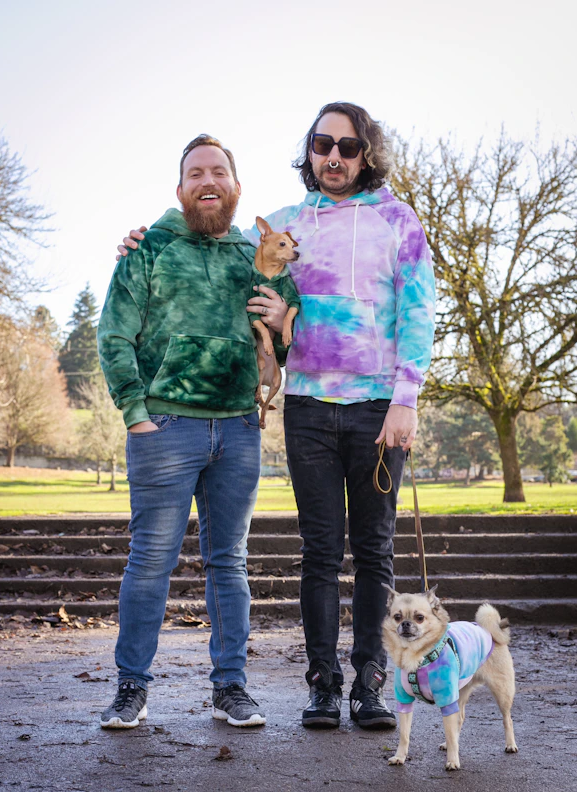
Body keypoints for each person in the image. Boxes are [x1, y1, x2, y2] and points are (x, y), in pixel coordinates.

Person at [118, 102, 436, 731]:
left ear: (366, 153)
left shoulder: (400, 220)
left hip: (378, 407)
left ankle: (370, 683)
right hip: (309, 405)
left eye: (348, 147)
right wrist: (141, 241)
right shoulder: (288, 224)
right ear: (310, 153)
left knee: (373, 551)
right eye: (323, 146)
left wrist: (407, 398)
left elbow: (419, 310)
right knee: (319, 551)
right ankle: (322, 686)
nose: (334, 158)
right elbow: (224, 245)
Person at [98, 134, 268, 730]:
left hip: (240, 430)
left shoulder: (256, 255)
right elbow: (113, 334)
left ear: (236, 187)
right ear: (180, 189)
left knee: (231, 563)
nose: (207, 180)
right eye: (195, 172)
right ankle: (130, 688)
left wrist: (283, 318)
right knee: (150, 561)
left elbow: (286, 331)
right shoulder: (147, 250)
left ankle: (231, 689)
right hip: (164, 428)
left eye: (218, 170)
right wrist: (134, 411)